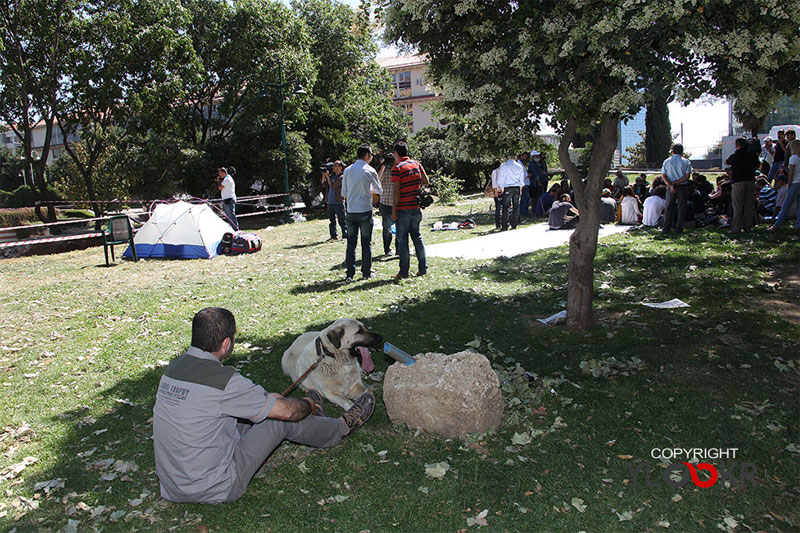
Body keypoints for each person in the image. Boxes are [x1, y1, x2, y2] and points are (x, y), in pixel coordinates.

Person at [153, 307, 375, 504]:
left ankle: (300, 410)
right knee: (280, 420)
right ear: (226, 343)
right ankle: (341, 428)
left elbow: (224, 402)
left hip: (173, 486)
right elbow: (287, 412)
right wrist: (307, 404)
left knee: (251, 413)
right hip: (217, 487)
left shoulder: (174, 370)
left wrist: (268, 400)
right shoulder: (224, 381)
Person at [341, 146, 381, 280]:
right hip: (365, 209)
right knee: (366, 243)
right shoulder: (370, 170)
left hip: (351, 210)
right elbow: (379, 190)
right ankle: (366, 272)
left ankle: (350, 274)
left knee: (351, 243)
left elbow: (344, 193)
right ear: (367, 155)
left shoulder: (347, 170)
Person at [391, 141, 428, 279]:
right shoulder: (416, 164)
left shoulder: (397, 168)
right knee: (417, 238)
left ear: (396, 153)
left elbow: (396, 191)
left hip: (403, 209)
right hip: (416, 207)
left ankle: (403, 272)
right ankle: (423, 269)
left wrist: (393, 211)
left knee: (403, 241)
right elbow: (426, 180)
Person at [725, 137, 759, 233]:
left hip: (738, 182)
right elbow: (758, 164)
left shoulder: (735, 156)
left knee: (738, 207)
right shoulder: (752, 155)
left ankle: (736, 228)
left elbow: (727, 162)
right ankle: (747, 227)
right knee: (748, 206)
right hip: (751, 181)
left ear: (737, 145)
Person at [660, 144, 692, 234]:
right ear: (682, 151)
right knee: (682, 208)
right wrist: (675, 183)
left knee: (669, 207)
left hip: (670, 186)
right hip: (682, 186)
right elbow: (686, 177)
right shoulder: (686, 162)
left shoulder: (666, 161)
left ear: (672, 151)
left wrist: (670, 184)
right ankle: (678, 228)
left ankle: (666, 228)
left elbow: (663, 175)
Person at [769, 139, 800, 231]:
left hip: (794, 183)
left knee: (786, 205)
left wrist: (789, 183)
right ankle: (798, 224)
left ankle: (777, 225)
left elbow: (791, 173)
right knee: (799, 205)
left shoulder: (793, 158)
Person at [497, 155, 526, 230]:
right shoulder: (519, 166)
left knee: (505, 206)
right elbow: (521, 179)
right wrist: (521, 188)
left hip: (507, 187)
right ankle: (514, 224)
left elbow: (501, 177)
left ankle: (505, 225)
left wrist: (500, 187)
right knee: (516, 206)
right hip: (516, 187)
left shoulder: (504, 166)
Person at [322, 161, 347, 241]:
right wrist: (324, 175)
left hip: (338, 201)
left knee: (342, 220)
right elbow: (324, 184)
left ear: (340, 167)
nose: (333, 167)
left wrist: (328, 177)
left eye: (335, 165)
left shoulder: (342, 177)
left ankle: (345, 235)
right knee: (331, 220)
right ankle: (333, 236)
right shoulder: (332, 177)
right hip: (330, 202)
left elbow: (333, 186)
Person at [376, 153, 396, 255]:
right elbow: (376, 180)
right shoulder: (383, 171)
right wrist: (383, 166)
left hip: (396, 203)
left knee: (399, 227)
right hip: (386, 203)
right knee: (386, 228)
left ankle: (399, 249)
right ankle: (387, 249)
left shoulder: (397, 169)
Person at [518, 152, 531, 217]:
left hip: (525, 183)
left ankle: (523, 212)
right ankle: (524, 212)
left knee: (524, 199)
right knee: (525, 198)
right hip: (523, 183)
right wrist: (528, 175)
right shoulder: (519, 164)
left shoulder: (522, 164)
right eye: (524, 156)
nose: (525, 158)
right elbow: (521, 174)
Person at [490, 160, 503, 229]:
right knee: (498, 208)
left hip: (502, 191)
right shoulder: (495, 171)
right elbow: (494, 182)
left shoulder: (501, 172)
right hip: (497, 191)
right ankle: (498, 224)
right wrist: (495, 192)